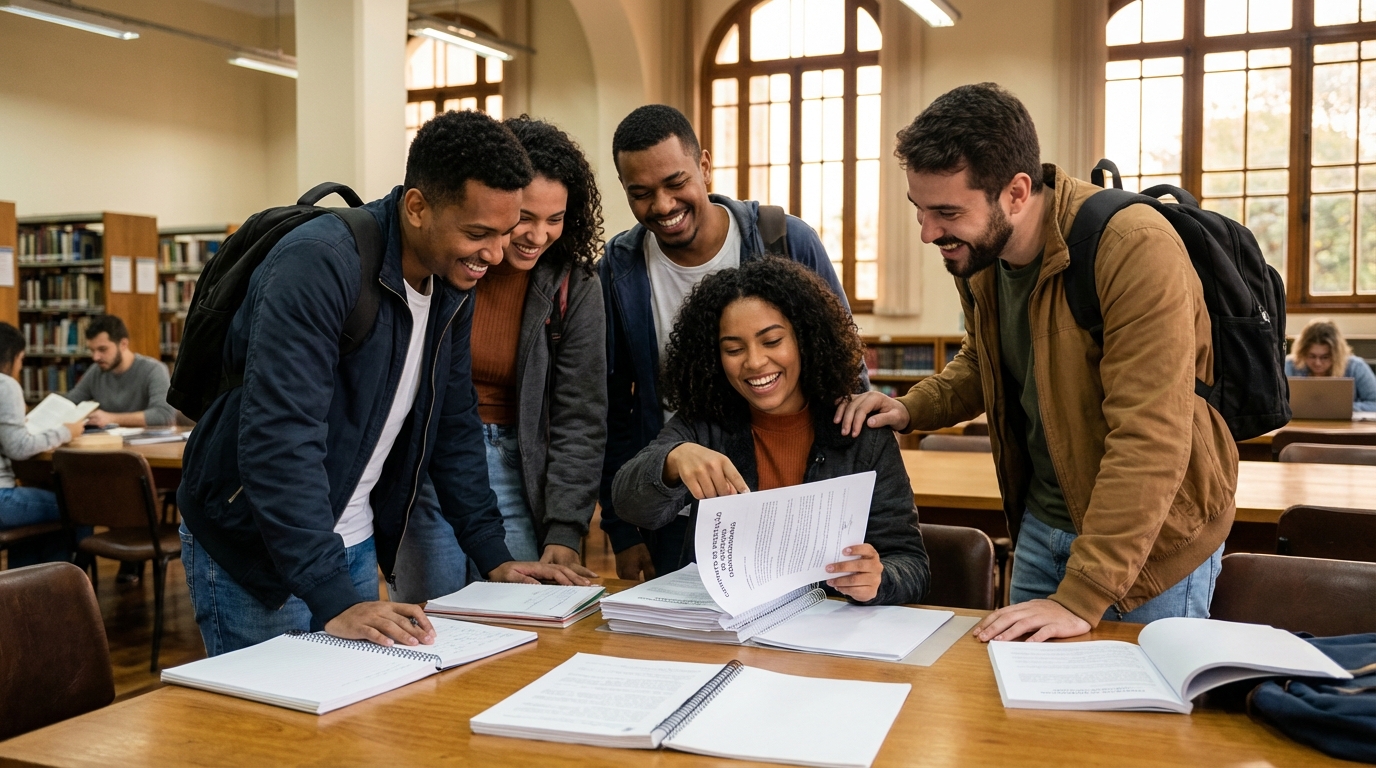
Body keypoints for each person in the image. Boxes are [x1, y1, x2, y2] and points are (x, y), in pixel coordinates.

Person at [176, 110, 590, 656]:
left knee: (342, 729)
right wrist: (331, 595)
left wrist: (493, 554)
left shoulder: (451, 282)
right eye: (477, 233)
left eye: (504, 233)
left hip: (349, 538)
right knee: (268, 734)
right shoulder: (320, 263)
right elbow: (281, 438)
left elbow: (454, 423)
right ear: (417, 207)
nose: (495, 254)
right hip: (257, 549)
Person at [835, 83, 1237, 641]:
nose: (929, 233)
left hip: (1151, 548)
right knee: (1022, 716)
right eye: (919, 211)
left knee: (1133, 728)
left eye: (947, 212)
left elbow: (1152, 437)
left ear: (1017, 192)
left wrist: (1083, 595)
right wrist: (910, 409)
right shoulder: (981, 255)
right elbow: (985, 361)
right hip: (1041, 528)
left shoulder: (1135, 247)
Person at [599, 104, 861, 581]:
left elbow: (845, 370)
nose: (661, 205)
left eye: (676, 183)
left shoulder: (786, 239)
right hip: (680, 513)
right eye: (641, 193)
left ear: (703, 165)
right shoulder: (619, 268)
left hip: (798, 502)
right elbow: (613, 407)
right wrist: (624, 531)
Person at [612, 258, 929, 604]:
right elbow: (630, 504)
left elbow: (912, 563)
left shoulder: (861, 432)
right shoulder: (704, 425)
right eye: (734, 349)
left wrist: (879, 579)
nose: (755, 362)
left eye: (772, 341)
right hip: (725, 635)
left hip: (827, 641)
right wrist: (671, 461)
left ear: (804, 339)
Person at [390, 116, 606, 601]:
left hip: (521, 466)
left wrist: (565, 529)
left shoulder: (573, 286)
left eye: (556, 219)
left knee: (524, 613)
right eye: (525, 217)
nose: (538, 235)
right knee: (437, 618)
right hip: (432, 460)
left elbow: (581, 417)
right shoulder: (447, 263)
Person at [0, 322, 86, 566]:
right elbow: (18, 447)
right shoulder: (5, 385)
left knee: (40, 519)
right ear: (14, 356)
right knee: (78, 506)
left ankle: (24, 587)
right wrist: (65, 432)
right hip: (2, 500)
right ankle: (61, 591)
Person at [64, 314, 175, 428]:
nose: (95, 357)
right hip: (109, 442)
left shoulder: (153, 369)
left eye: (102, 349)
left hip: (146, 443)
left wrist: (111, 418)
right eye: (92, 350)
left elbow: (164, 415)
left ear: (123, 344)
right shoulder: (96, 371)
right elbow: (69, 403)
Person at [1286, 318, 1376, 411]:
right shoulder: (1289, 365)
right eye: (1312, 356)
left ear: (1336, 356)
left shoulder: (1356, 367)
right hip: (1299, 424)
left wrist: (1347, 408)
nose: (1318, 363)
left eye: (1325, 357)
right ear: (1302, 353)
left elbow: (1374, 403)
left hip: (1345, 425)